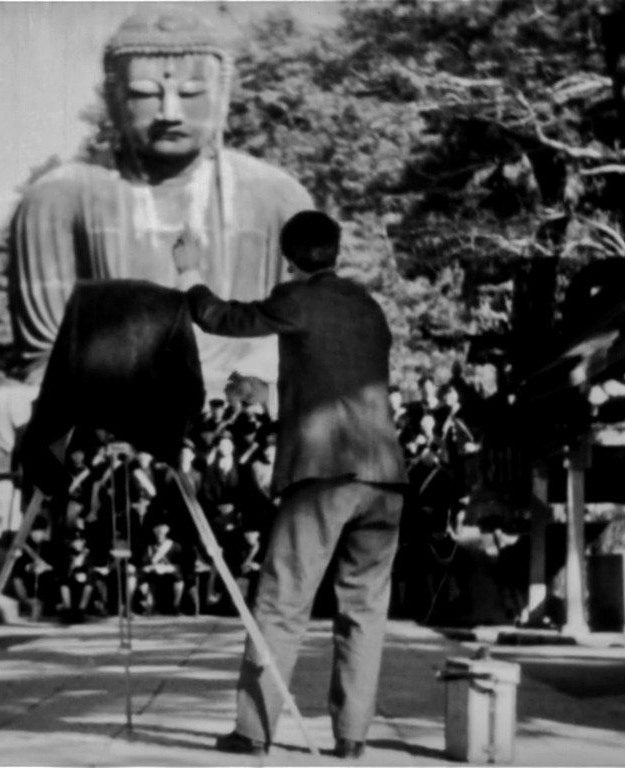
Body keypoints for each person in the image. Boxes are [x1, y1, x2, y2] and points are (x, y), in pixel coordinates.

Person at [179, 210, 408, 758]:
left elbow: (223, 318)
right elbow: (346, 382)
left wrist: (188, 276)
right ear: (336, 250)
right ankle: (352, 737)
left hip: (324, 471)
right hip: (384, 477)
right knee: (365, 609)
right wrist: (271, 393)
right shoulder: (368, 307)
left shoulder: (296, 298)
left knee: (281, 603)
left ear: (288, 256)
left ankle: (254, 731)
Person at [7, 6, 313, 394]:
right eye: (145, 94)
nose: (170, 112)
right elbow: (46, 355)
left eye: (191, 93)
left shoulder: (277, 199)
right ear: (114, 98)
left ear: (222, 94)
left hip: (243, 395)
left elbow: (296, 335)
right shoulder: (56, 199)